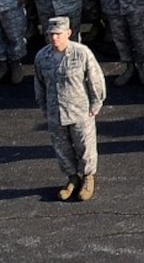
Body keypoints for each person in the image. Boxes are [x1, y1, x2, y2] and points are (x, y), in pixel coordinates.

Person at [33, 16, 106, 202]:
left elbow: (95, 80)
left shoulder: (81, 53)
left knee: (85, 148)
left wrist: (96, 104)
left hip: (79, 112)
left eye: (58, 34)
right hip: (55, 113)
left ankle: (88, 178)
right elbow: (39, 85)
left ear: (68, 33)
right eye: (51, 34)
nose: (54, 38)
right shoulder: (42, 57)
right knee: (62, 149)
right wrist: (44, 108)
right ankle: (72, 178)